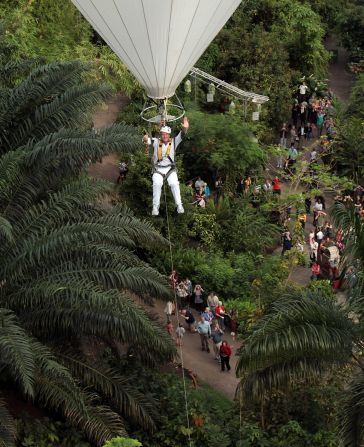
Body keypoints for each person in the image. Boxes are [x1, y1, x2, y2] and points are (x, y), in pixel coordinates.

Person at [144, 116, 189, 216]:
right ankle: (155, 207)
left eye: (166, 134)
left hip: (170, 169)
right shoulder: (156, 141)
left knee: (174, 184)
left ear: (169, 135)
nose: (165, 136)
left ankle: (179, 205)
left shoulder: (174, 141)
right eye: (163, 134)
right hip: (158, 169)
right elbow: (146, 141)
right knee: (157, 184)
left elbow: (182, 134)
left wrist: (185, 127)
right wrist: (145, 138)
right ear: (161, 135)